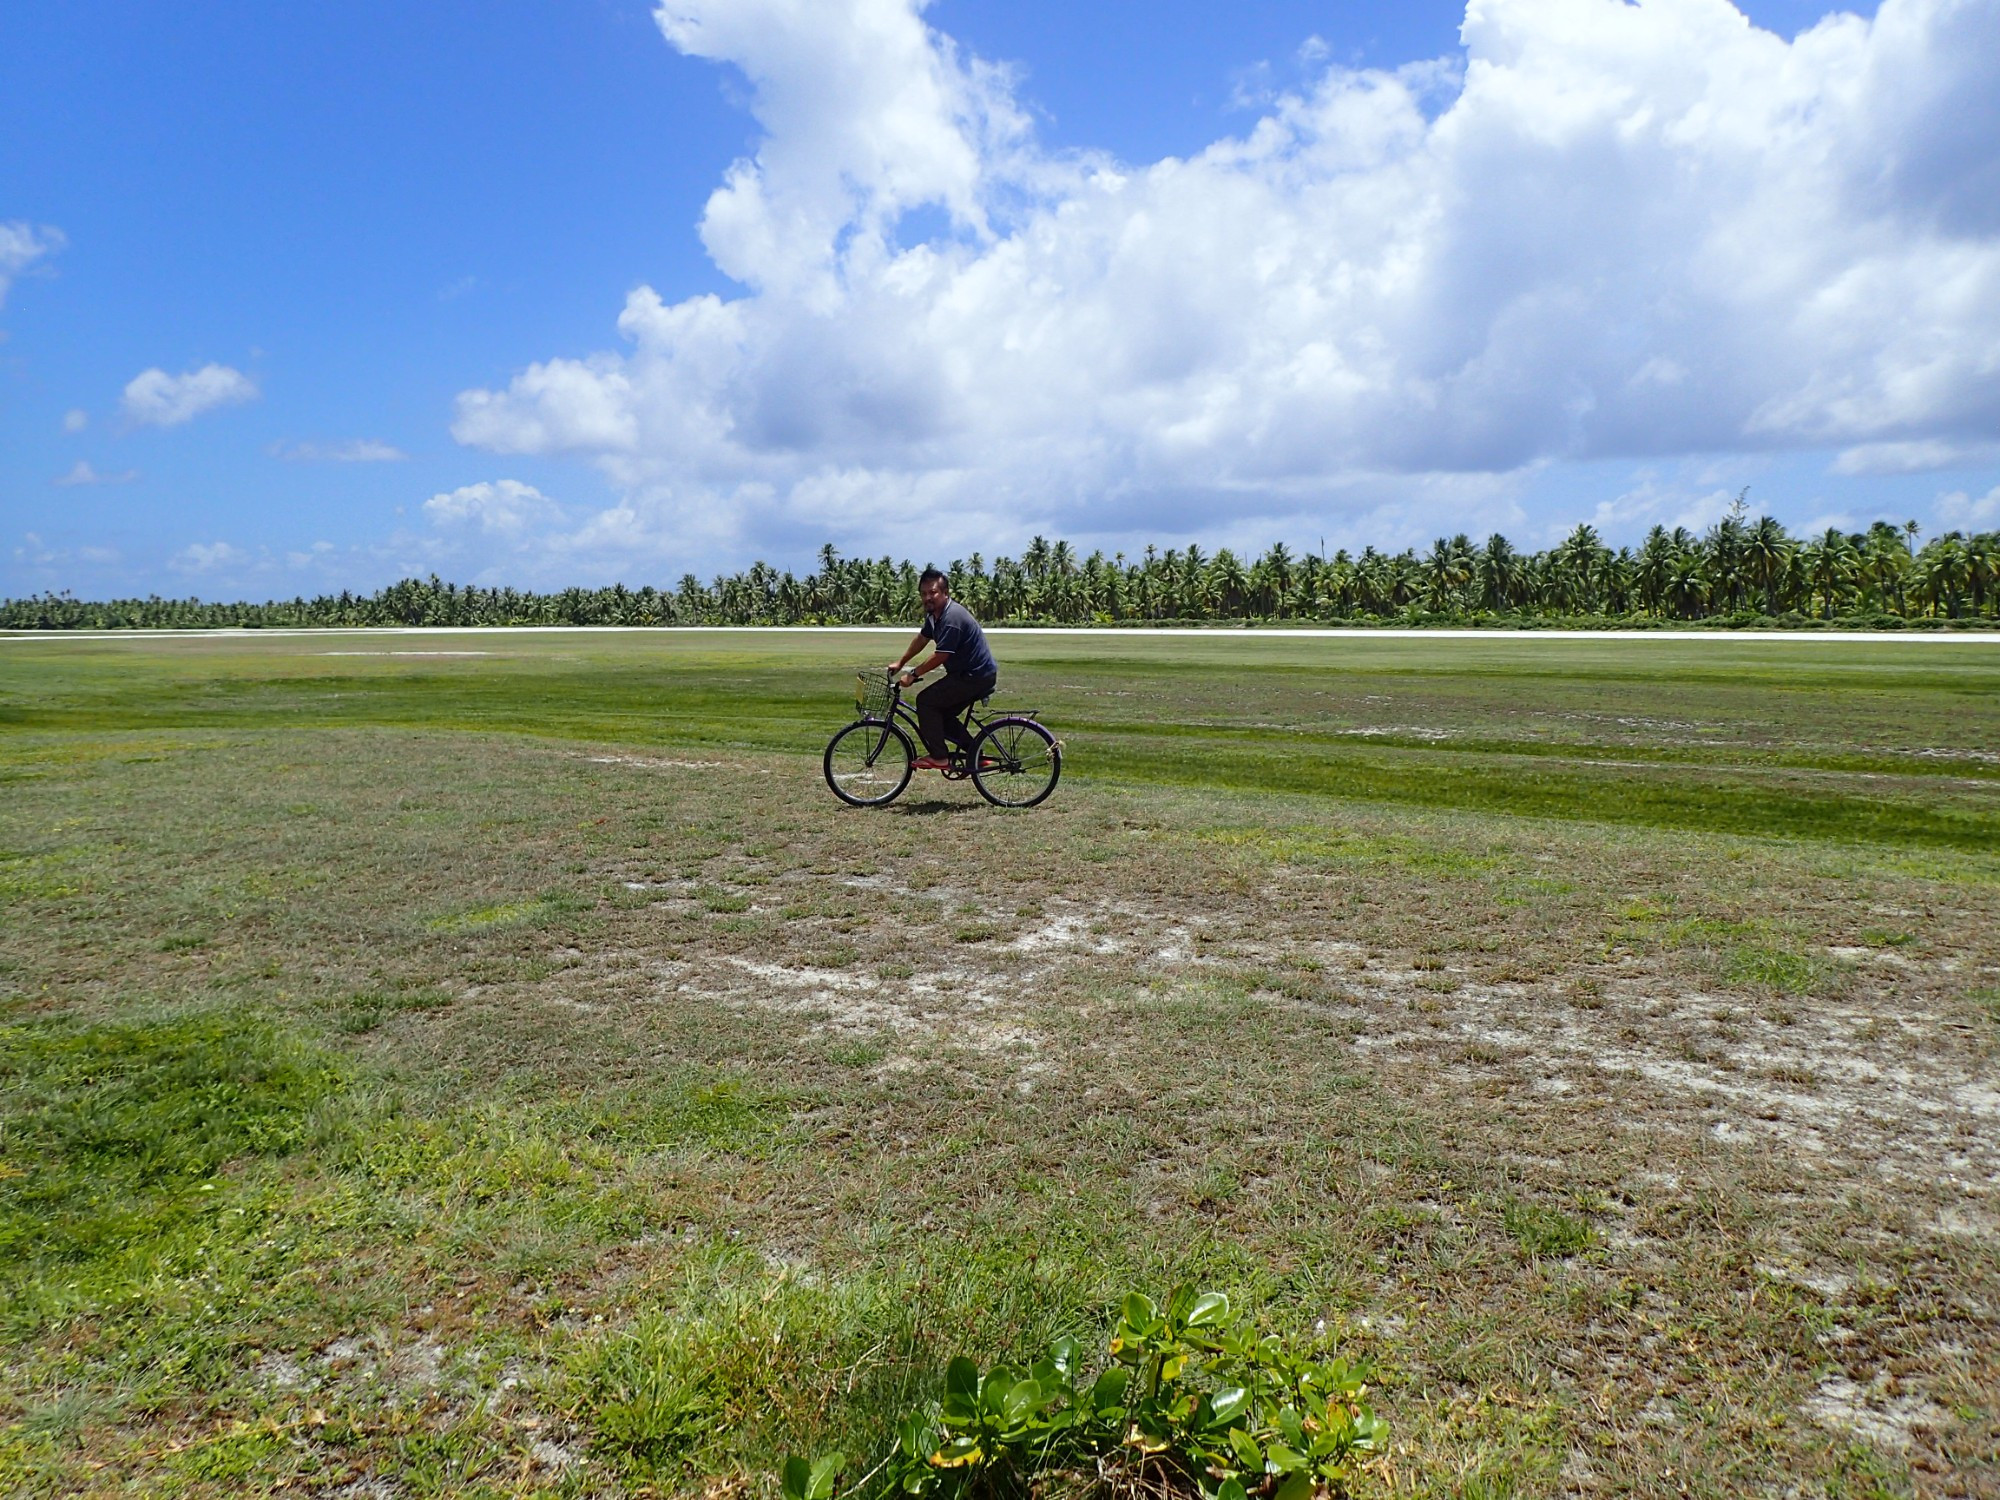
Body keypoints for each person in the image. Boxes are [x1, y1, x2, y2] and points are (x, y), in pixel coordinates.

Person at [889, 567, 998, 770]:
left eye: (933, 592)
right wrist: (901, 662)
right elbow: (922, 639)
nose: (927, 597)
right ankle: (976, 755)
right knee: (941, 713)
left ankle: (940, 757)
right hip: (969, 675)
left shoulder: (951, 618)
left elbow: (941, 655)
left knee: (926, 702)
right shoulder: (934, 616)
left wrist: (913, 674)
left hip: (974, 676)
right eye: (923, 593)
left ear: (945, 593)